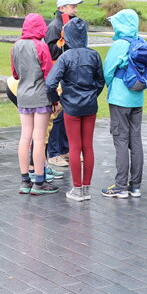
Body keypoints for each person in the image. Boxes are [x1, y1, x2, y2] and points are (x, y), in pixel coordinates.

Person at [45, 18, 105, 202]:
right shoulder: (93, 55)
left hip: (71, 106)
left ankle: (78, 189)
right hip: (89, 106)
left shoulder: (66, 57)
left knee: (75, 146)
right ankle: (85, 188)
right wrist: (91, 96)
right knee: (87, 146)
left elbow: (50, 84)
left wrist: (58, 99)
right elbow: (101, 81)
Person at [11, 13, 58, 195]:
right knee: (39, 138)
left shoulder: (16, 46)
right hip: (40, 96)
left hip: (23, 96)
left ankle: (25, 180)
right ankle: (39, 181)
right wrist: (54, 99)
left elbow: (15, 74)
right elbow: (49, 75)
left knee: (25, 137)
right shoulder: (41, 46)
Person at [101, 9, 146, 198]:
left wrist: (112, 87)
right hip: (137, 97)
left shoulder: (120, 44)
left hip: (120, 98)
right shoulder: (141, 42)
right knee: (135, 140)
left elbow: (107, 71)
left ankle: (120, 185)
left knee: (120, 139)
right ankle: (135, 186)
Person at [45, 0, 84, 168]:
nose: (75, 9)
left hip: (69, 75)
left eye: (75, 6)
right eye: (72, 6)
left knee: (68, 113)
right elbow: (50, 51)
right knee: (58, 115)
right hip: (58, 75)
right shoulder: (55, 26)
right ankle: (54, 152)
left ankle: (66, 149)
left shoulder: (71, 24)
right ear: (62, 8)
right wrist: (61, 44)